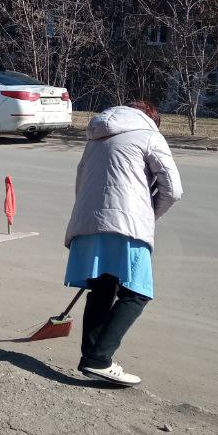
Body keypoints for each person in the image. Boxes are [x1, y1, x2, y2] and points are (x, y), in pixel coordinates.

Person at [64, 100, 183, 387]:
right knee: (137, 293)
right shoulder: (150, 135)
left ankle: (91, 358)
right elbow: (173, 189)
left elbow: (81, 181)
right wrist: (148, 215)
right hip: (127, 223)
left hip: (88, 221)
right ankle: (99, 359)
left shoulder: (95, 137)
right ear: (152, 120)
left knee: (102, 288)